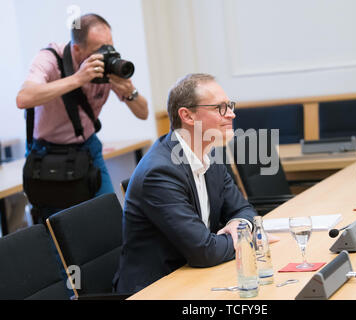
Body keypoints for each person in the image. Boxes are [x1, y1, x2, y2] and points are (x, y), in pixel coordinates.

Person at [113, 73, 262, 294]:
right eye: (219, 108)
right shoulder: (160, 173)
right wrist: (245, 237)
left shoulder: (209, 155)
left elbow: (243, 209)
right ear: (188, 116)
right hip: (158, 289)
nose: (231, 114)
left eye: (229, 106)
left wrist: (239, 226)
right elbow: (204, 252)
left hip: (196, 276)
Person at [16, 13, 148, 221]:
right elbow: (23, 98)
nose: (107, 54)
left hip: (89, 149)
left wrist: (129, 92)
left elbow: (143, 113)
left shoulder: (105, 67)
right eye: (99, 50)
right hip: (49, 155)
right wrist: (78, 79)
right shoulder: (51, 59)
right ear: (77, 49)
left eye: (110, 46)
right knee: (60, 228)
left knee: (109, 219)